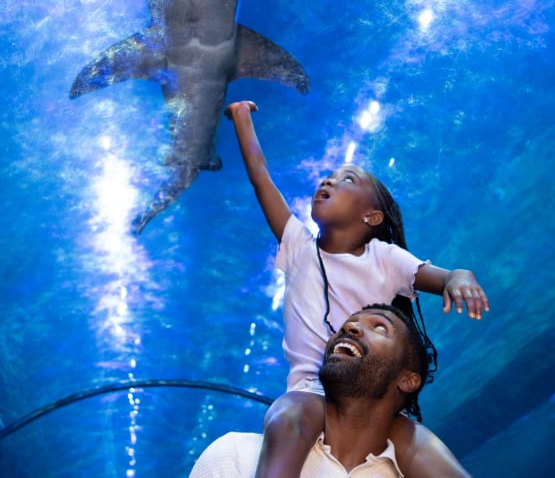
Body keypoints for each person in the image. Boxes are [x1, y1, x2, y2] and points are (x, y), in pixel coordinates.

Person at [223, 100, 489, 477]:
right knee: (287, 417)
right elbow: (261, 178)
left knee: (424, 448)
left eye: (347, 180)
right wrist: (241, 117)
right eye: (329, 176)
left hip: (373, 394)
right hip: (314, 392)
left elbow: (444, 277)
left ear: (372, 217)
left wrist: (462, 277)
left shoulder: (384, 257)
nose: (329, 180)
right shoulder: (298, 247)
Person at [190, 304, 469, 477]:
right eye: (351, 322)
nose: (350, 326)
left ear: (407, 380)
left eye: (380, 328)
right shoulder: (234, 453)